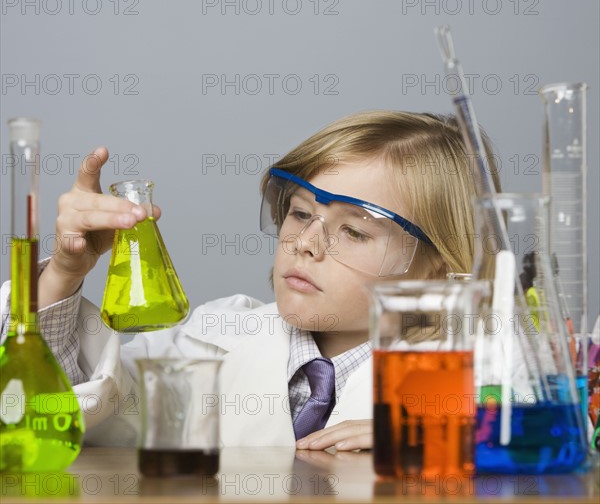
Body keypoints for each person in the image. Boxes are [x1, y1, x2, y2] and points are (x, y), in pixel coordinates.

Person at [0, 110, 499, 450]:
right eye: (301, 213)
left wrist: (446, 439)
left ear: (437, 263)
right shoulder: (220, 337)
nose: (305, 243)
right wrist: (64, 277)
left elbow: (554, 448)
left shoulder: (482, 369)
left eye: (353, 230)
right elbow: (60, 415)